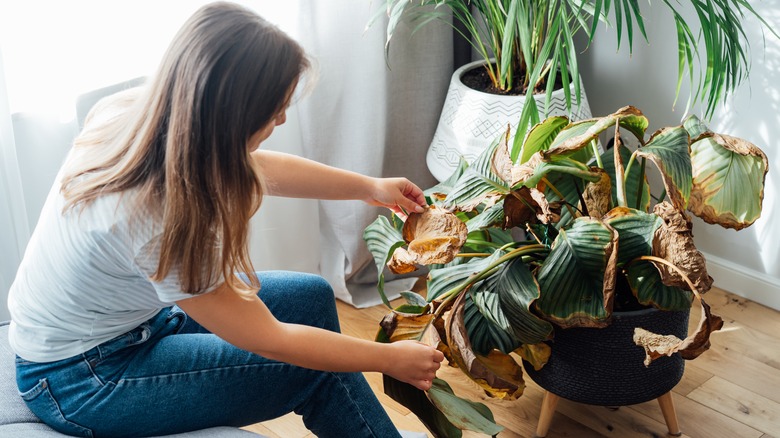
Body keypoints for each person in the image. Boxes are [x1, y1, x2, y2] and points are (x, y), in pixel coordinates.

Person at [8, 2, 444, 437]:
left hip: (131, 325)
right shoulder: (163, 217)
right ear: (229, 118)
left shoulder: (143, 114)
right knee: (312, 370)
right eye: (274, 110)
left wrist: (370, 187)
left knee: (311, 295)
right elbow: (273, 340)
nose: (282, 118)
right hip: (83, 378)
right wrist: (389, 358)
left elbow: (258, 165)